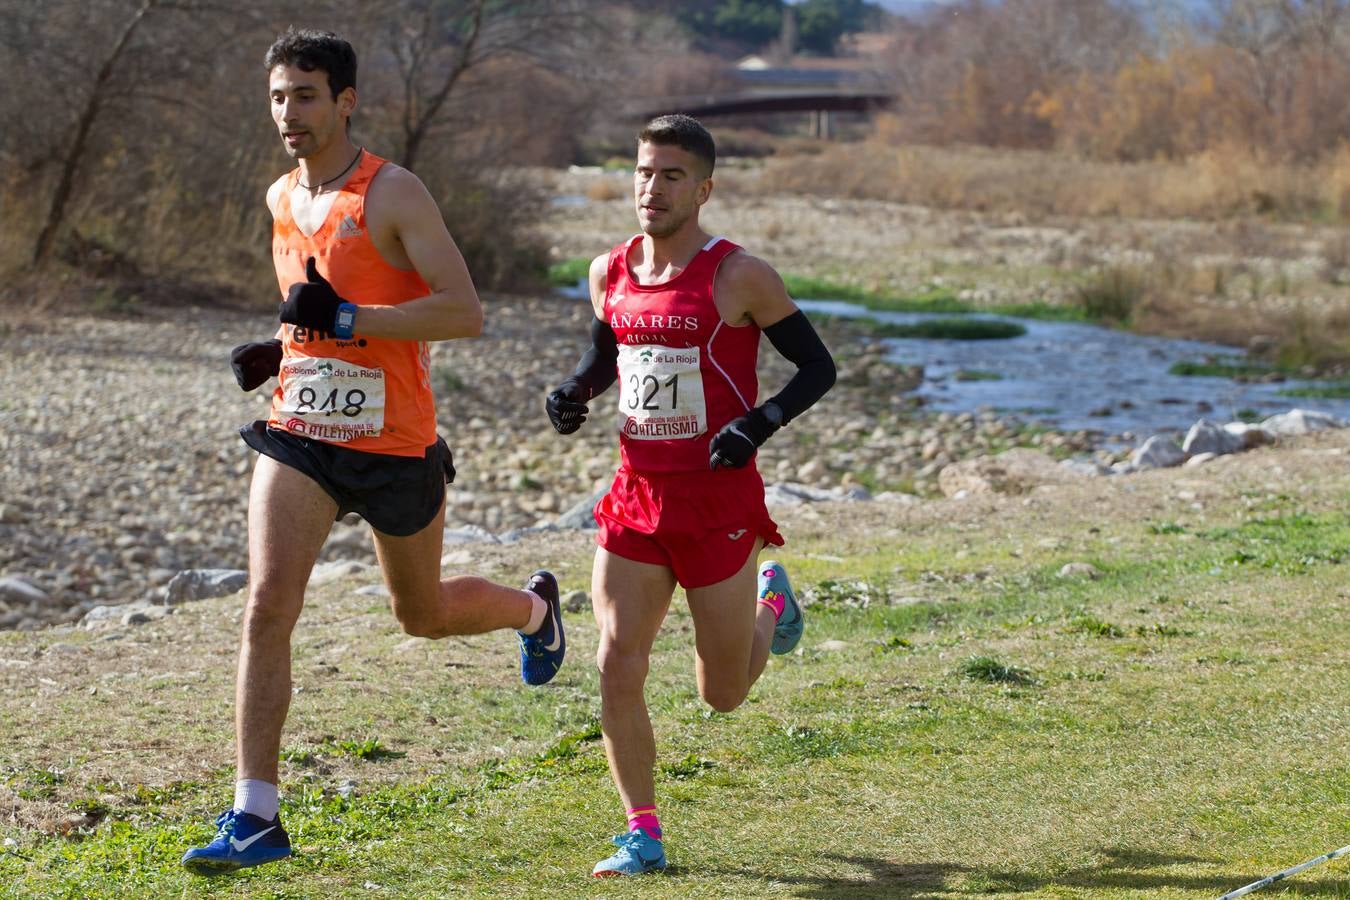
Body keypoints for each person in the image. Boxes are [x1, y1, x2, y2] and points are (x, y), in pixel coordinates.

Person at [181, 29, 565, 875]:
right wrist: (279, 350)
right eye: (279, 95)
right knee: (266, 606)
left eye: (306, 95)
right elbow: (311, 306)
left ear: (346, 100)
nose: (289, 112)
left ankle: (534, 610)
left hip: (394, 441)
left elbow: (463, 313)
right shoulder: (281, 197)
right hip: (300, 434)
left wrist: (349, 323)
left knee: (419, 615)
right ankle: (256, 814)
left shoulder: (393, 193)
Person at [544, 114, 836, 877]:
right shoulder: (609, 270)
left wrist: (756, 426)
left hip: (717, 505)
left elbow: (817, 369)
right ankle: (642, 831)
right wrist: (576, 389)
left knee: (724, 694)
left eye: (672, 175)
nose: (653, 187)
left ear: (703, 189)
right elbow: (608, 349)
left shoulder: (740, 276)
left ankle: (774, 601)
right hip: (636, 496)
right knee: (616, 660)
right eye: (644, 171)